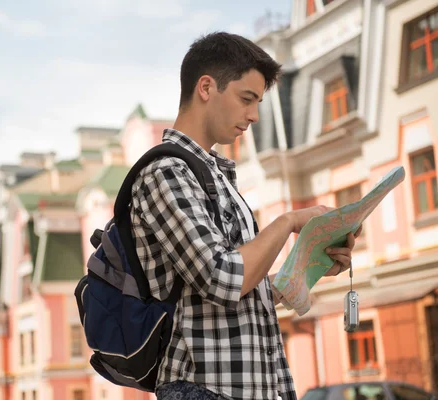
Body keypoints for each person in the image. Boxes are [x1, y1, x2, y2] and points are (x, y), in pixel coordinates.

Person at [129, 32, 361, 400]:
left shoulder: (214, 175)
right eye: (246, 99)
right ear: (206, 87)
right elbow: (224, 279)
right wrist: (288, 222)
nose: (253, 115)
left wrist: (308, 266)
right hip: (203, 389)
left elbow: (240, 289)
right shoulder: (165, 173)